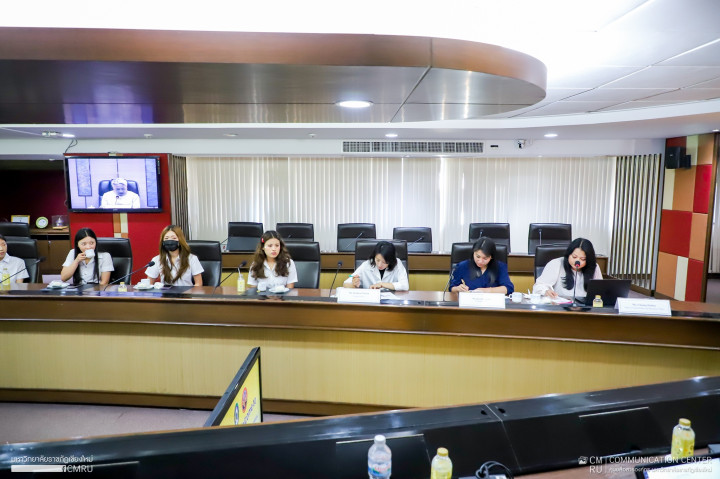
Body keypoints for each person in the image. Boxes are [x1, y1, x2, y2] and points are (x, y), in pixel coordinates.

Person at [533, 237, 602, 300]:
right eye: (574, 257)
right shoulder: (556, 264)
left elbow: (600, 291)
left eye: (582, 259)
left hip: (586, 307)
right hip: (560, 306)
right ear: (568, 254)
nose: (577, 261)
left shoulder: (594, 267)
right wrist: (546, 291)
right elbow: (538, 286)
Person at [344, 241, 409, 291]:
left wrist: (381, 284)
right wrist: (354, 284)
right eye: (377, 260)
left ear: (391, 261)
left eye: (384, 262)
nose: (380, 265)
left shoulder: (397, 264)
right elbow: (346, 283)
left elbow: (405, 285)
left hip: (391, 302)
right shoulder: (366, 265)